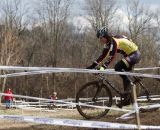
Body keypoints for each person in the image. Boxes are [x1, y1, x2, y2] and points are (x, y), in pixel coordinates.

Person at [87, 26, 141, 108]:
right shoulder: (108, 43)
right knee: (124, 76)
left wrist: (103, 67)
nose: (100, 40)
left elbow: (111, 56)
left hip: (135, 55)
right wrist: (93, 65)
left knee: (118, 67)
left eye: (101, 38)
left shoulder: (114, 42)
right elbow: (103, 55)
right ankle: (127, 99)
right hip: (129, 56)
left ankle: (131, 85)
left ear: (105, 36)